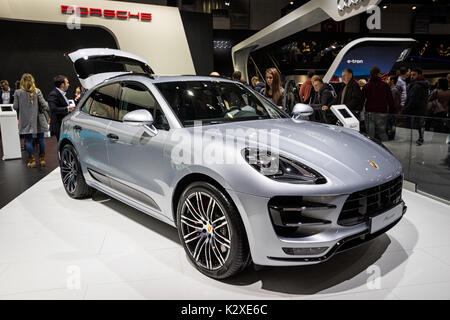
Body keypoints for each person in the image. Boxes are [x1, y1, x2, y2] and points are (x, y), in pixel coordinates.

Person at [13, 73, 49, 168]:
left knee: (28, 140)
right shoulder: (37, 91)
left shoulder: (17, 92)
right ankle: (42, 160)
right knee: (41, 139)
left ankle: (32, 161)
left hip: (25, 120)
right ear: (32, 81)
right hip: (38, 119)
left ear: (22, 82)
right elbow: (45, 105)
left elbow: (15, 106)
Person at [362, 66, 395, 142]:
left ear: (371, 74)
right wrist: (392, 112)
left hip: (369, 113)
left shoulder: (366, 86)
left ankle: (371, 150)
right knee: (382, 132)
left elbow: (361, 100)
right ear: (378, 74)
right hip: (382, 112)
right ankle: (386, 150)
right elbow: (390, 100)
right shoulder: (385, 86)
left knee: (370, 134)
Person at [402, 68, 430, 146]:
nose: (411, 76)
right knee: (420, 125)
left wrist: (405, 109)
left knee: (418, 125)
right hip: (421, 109)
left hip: (416, 109)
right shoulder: (422, 84)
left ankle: (420, 139)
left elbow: (413, 99)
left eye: (414, 75)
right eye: (411, 75)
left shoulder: (417, 85)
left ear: (420, 75)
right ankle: (420, 138)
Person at [48, 75, 75, 141]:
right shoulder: (54, 94)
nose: (69, 84)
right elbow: (53, 109)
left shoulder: (61, 94)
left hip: (64, 125)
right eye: (67, 83)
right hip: (58, 126)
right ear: (62, 84)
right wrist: (67, 109)